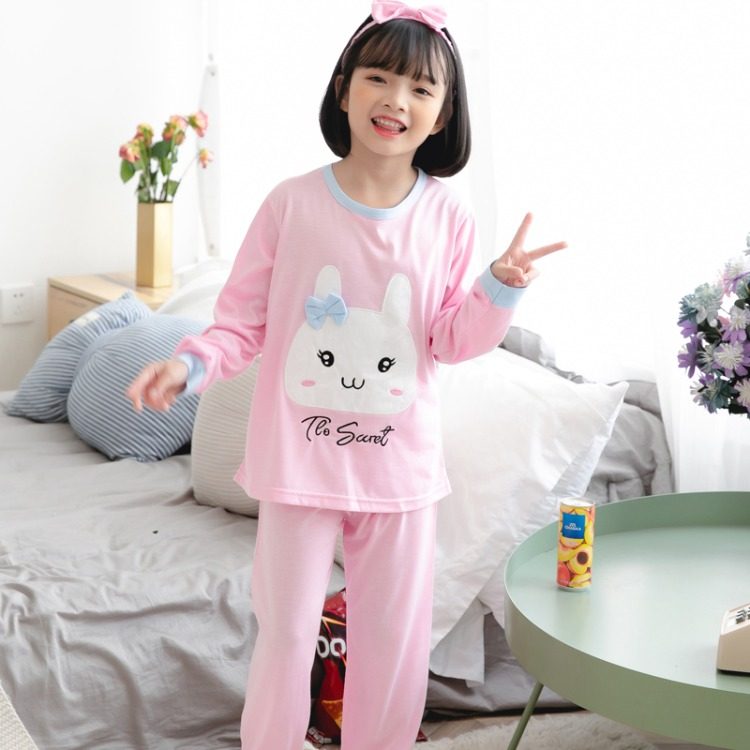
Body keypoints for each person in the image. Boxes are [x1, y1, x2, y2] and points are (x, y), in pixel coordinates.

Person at [126, 2, 566, 748]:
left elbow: (450, 340)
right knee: (286, 638)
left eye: (420, 89)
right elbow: (240, 323)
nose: (396, 100)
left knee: (392, 648)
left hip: (398, 476)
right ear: (344, 88)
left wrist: (500, 285)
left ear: (442, 114)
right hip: (299, 467)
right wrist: (189, 363)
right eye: (379, 78)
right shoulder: (291, 204)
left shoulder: (448, 218)